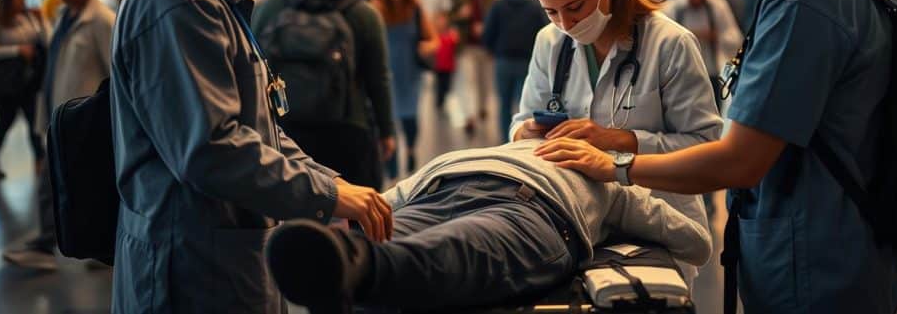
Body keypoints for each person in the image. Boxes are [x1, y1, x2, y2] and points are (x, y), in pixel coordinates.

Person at [537, 0, 897, 314]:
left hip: (814, 260)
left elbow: (740, 159)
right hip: (832, 247)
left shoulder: (806, 1)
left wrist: (616, 163)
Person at [109, 0, 392, 314]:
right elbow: (211, 150)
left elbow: (256, 129)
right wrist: (327, 196)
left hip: (220, 258)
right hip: (190, 270)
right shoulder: (178, 1)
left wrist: (333, 185)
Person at [266, 138, 712, 314]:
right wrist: (618, 179)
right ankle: (356, 263)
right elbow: (693, 241)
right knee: (460, 251)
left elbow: (387, 204)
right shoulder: (599, 175)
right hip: (529, 207)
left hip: (447, 187)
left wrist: (362, 218)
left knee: (420, 239)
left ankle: (351, 260)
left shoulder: (481, 149)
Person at [510, 0, 722, 285]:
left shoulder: (669, 44)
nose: (566, 24)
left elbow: (705, 147)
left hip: (661, 222)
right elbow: (520, 120)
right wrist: (526, 132)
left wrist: (617, 141)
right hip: (577, 220)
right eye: (551, 12)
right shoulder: (549, 43)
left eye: (575, 7)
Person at [252, 0, 396, 188]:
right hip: (348, 130)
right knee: (356, 215)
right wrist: (387, 132)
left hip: (287, 130)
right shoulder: (364, 14)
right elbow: (378, 79)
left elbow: (254, 68)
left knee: (294, 218)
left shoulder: (272, 7)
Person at [3, 0, 115, 271]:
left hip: (85, 126)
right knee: (56, 184)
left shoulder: (102, 21)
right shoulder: (66, 17)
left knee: (65, 187)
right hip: (59, 119)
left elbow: (117, 77)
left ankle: (48, 244)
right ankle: (66, 244)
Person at [372, 0, 438, 179]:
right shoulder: (376, 9)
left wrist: (427, 47)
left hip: (410, 73)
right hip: (384, 73)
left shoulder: (415, 10)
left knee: (410, 117)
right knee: (387, 118)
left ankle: (410, 150)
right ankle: (391, 165)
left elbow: (434, 40)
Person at [0, 0, 48, 180]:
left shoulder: (28, 17)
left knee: (33, 121)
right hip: (6, 82)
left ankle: (41, 163)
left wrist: (42, 20)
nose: (22, 1)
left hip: (28, 79)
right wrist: (18, 50)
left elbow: (44, 41)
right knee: (6, 121)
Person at [482, 0, 549, 143]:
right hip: (527, 60)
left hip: (503, 59)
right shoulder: (536, 5)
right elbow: (545, 30)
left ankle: (506, 140)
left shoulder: (499, 4)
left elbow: (488, 32)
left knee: (503, 103)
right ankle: (525, 141)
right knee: (525, 106)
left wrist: (491, 50)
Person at [663, 0, 743, 101]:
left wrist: (716, 36)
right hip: (680, 78)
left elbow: (736, 39)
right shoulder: (672, 9)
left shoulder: (718, 6)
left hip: (711, 73)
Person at [453, 0, 496, 136]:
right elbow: (450, 18)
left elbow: (496, 21)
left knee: (484, 81)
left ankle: (482, 107)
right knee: (468, 81)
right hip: (466, 46)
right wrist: (460, 16)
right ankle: (469, 116)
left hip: (485, 47)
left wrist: (486, 28)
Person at [432, 12, 458, 110]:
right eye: (440, 20)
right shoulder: (435, 34)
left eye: (443, 20)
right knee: (439, 86)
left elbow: (455, 46)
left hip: (448, 66)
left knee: (447, 86)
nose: (442, 22)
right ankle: (439, 103)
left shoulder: (451, 34)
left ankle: (446, 103)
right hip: (438, 66)